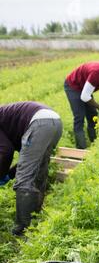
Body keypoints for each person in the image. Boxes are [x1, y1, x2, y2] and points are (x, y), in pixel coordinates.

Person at [0, 101, 63, 236]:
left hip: (40, 124)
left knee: (24, 180)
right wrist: (9, 174)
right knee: (38, 174)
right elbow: (27, 159)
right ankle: (35, 218)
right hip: (55, 122)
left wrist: (1, 174)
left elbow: (6, 152)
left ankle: (22, 230)